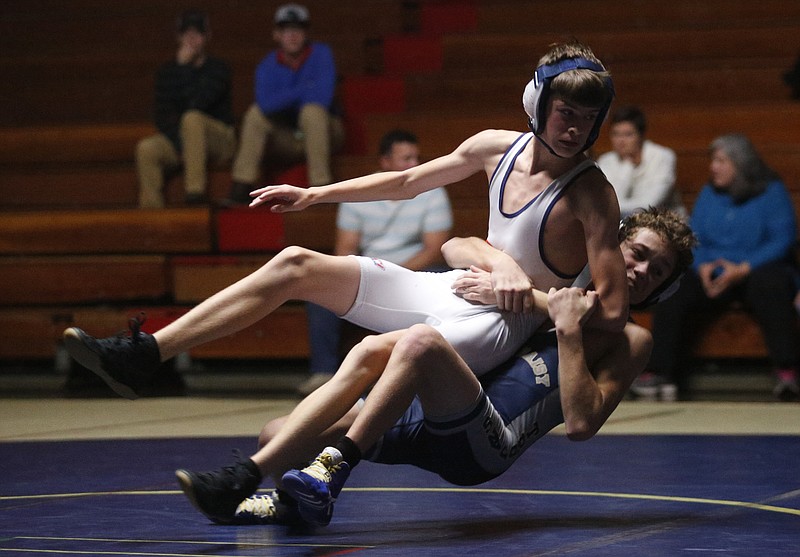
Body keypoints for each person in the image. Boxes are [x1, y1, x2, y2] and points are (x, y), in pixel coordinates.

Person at [62, 41, 626, 406]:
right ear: (536, 101)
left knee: (382, 357)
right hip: (454, 289)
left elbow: (613, 309)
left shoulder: (593, 195)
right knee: (294, 264)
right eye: (564, 113)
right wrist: (314, 194)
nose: (574, 129)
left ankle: (312, 471)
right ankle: (146, 356)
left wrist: (527, 297)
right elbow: (405, 182)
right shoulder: (492, 147)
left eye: (586, 119)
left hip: (503, 322)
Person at [172, 208, 697, 527]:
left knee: (420, 344)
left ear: (667, 288)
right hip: (432, 412)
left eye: (659, 269)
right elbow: (457, 245)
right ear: (612, 247)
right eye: (638, 252)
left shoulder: (630, 340)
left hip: (485, 441)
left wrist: (567, 330)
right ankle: (287, 502)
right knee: (280, 433)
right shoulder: (560, 286)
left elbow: (582, 424)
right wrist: (505, 276)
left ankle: (332, 468)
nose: (643, 270)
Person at [640, 133, 800, 401]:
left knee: (772, 284)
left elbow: (783, 239)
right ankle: (657, 371)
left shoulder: (771, 191)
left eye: (721, 160)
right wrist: (702, 266)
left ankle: (786, 370)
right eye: (713, 160)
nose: (713, 167)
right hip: (712, 271)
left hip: (755, 270)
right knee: (674, 288)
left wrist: (744, 268)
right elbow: (694, 235)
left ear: (740, 163)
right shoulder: (709, 192)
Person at [301, 129, 453, 395]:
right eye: (406, 159)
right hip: (368, 269)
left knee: (450, 281)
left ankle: (436, 371)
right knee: (319, 293)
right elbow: (344, 250)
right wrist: (367, 275)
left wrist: (394, 275)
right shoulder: (359, 192)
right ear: (385, 163)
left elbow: (433, 249)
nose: (414, 166)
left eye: (416, 158)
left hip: (416, 269)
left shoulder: (432, 190)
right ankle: (323, 373)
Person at [226, 3, 345, 204]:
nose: (292, 35)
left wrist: (285, 97)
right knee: (256, 114)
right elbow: (266, 105)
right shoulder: (267, 64)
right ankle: (242, 184)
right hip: (288, 137)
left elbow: (322, 98)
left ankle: (320, 187)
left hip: (325, 132)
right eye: (286, 30)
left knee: (312, 112)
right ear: (276, 35)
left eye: (297, 29)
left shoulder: (321, 54)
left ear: (306, 33)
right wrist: (305, 89)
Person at [136, 9, 236, 208]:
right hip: (184, 141)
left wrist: (184, 69)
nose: (191, 39)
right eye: (186, 34)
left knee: (192, 118)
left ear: (207, 36)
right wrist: (182, 145)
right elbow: (162, 115)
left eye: (197, 33)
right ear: (178, 36)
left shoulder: (218, 69)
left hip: (220, 141)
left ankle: (194, 194)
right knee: (146, 149)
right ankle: (150, 214)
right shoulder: (166, 73)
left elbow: (198, 102)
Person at [596, 105, 685, 218]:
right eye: (616, 134)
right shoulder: (606, 161)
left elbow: (649, 205)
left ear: (641, 136)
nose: (621, 141)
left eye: (628, 134)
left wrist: (610, 205)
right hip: (622, 226)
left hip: (664, 225)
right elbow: (607, 203)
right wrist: (627, 166)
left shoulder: (662, 157)